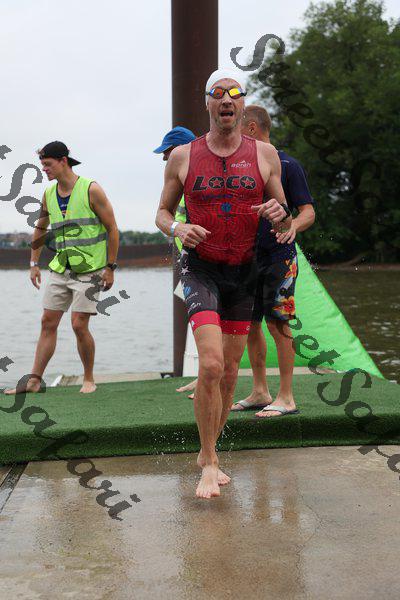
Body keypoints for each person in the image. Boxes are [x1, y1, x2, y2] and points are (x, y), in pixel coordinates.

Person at [155, 68, 292, 499]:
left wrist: (279, 214)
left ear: (242, 103)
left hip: (244, 272)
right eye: (218, 93)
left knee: (230, 373)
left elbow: (284, 216)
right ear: (208, 103)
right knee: (211, 365)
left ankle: (209, 450)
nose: (226, 99)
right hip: (202, 269)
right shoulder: (183, 157)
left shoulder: (266, 155)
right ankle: (210, 461)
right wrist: (178, 229)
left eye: (234, 93)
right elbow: (161, 213)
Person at [4, 141, 119, 395]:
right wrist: (33, 264)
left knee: (78, 324)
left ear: (63, 161)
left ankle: (88, 378)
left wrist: (110, 267)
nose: (44, 170)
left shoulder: (91, 189)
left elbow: (112, 228)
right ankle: (34, 381)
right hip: (60, 268)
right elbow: (40, 228)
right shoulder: (49, 194)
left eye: (47, 165)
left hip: (91, 270)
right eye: (42, 165)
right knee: (47, 321)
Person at [231, 105, 315, 417]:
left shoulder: (288, 165)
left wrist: (293, 226)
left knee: (278, 324)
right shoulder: (241, 167)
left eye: (239, 128)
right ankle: (259, 390)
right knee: (250, 324)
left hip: (280, 257)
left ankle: (287, 396)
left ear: (251, 128)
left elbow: (308, 211)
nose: (234, 135)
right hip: (247, 258)